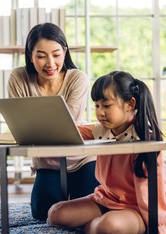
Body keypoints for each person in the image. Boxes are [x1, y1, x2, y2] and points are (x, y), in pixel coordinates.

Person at [47, 71, 166, 234]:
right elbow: (72, 131)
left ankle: (91, 227)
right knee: (56, 213)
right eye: (97, 106)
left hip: (137, 209)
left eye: (106, 106)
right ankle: (94, 226)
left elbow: (153, 191)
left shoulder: (145, 140)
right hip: (106, 200)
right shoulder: (102, 130)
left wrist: (158, 228)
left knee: (109, 227)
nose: (100, 112)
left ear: (130, 104)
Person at [7, 22, 99, 220]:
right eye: (41, 56)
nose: (50, 63)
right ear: (30, 55)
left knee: (90, 205)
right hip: (47, 163)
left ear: (65, 52)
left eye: (56, 55)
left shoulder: (77, 78)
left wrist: (34, 127)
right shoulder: (18, 77)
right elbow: (21, 126)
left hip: (81, 159)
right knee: (42, 213)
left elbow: (67, 127)